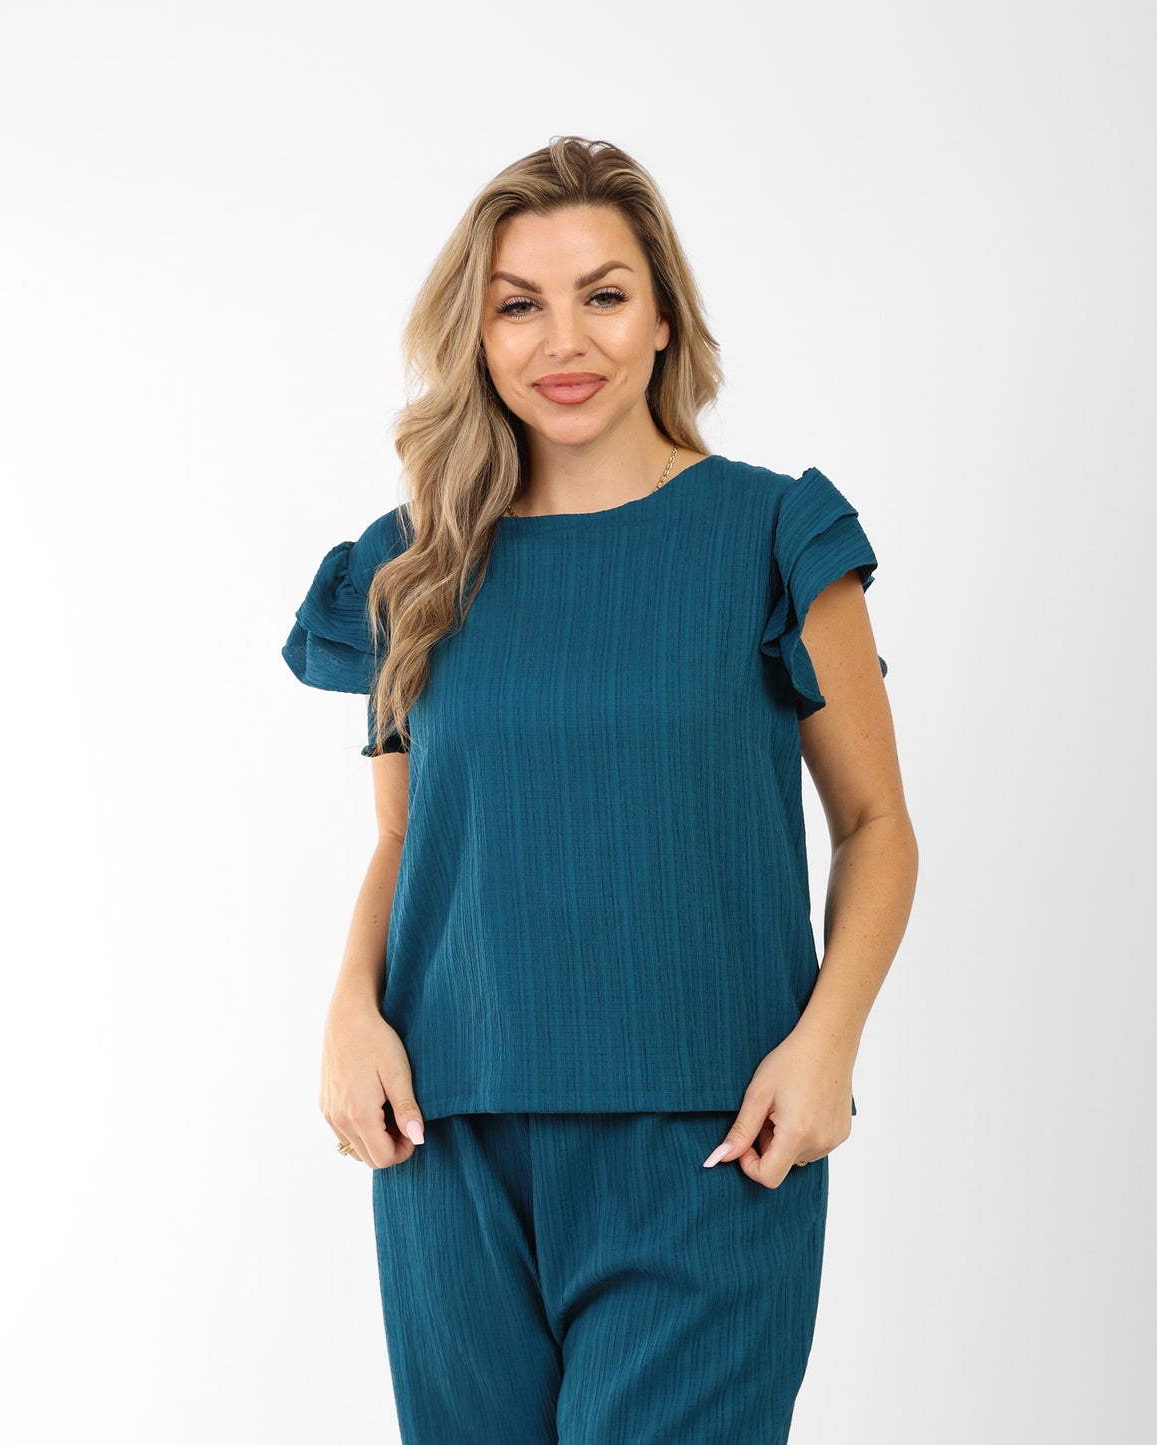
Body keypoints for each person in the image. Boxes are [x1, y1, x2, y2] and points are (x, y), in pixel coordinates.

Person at [281, 135, 919, 1445]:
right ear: (476, 334)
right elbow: (403, 836)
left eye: (604, 294)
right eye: (519, 303)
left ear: (664, 317)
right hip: (447, 1134)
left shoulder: (773, 538)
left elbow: (874, 823)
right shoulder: (413, 565)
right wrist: (348, 1012)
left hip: (712, 1135)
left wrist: (827, 1045)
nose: (562, 340)